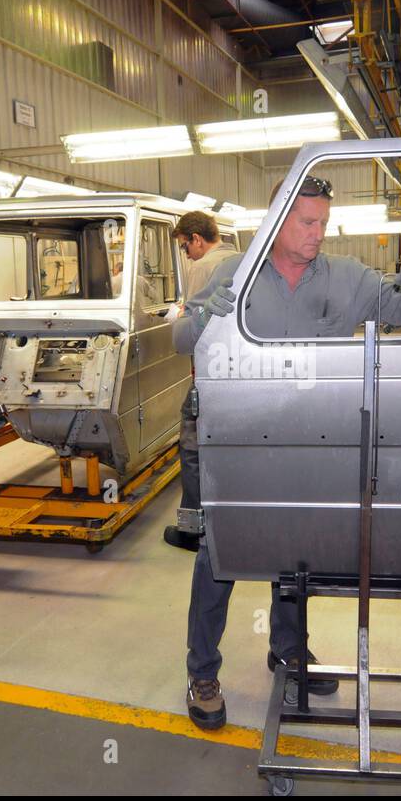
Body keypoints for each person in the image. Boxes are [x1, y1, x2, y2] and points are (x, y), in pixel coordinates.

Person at [172, 174, 401, 730]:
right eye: (307, 222)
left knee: (297, 553)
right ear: (276, 219)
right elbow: (179, 339)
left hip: (309, 445)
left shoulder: (347, 278)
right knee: (218, 557)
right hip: (237, 443)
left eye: (323, 222)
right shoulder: (234, 274)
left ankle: (290, 651)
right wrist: (202, 316)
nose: (318, 233)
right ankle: (202, 670)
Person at [164, 211, 234, 552]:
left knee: (191, 448)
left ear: (196, 238)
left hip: (209, 374)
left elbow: (192, 329)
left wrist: (179, 318)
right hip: (238, 371)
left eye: (185, 246)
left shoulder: (202, 267)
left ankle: (193, 529)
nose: (187, 254)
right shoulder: (241, 257)